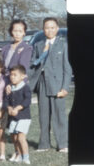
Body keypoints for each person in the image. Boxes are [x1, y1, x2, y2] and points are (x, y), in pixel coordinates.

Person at [30, 18, 72, 153]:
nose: (50, 30)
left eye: (53, 27)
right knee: (43, 115)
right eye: (47, 28)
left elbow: (67, 68)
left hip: (57, 85)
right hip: (43, 83)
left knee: (59, 116)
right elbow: (33, 65)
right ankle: (44, 144)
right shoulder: (38, 45)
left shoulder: (63, 44)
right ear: (43, 29)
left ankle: (63, 144)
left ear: (57, 29)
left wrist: (65, 88)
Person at [5, 65, 33, 164]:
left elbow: (27, 101)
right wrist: (8, 107)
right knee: (14, 137)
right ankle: (18, 153)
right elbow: (6, 101)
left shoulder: (25, 87)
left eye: (15, 75)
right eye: (11, 75)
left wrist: (17, 108)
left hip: (24, 117)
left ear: (23, 76)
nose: (12, 77)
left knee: (21, 137)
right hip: (13, 117)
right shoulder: (10, 88)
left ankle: (26, 157)